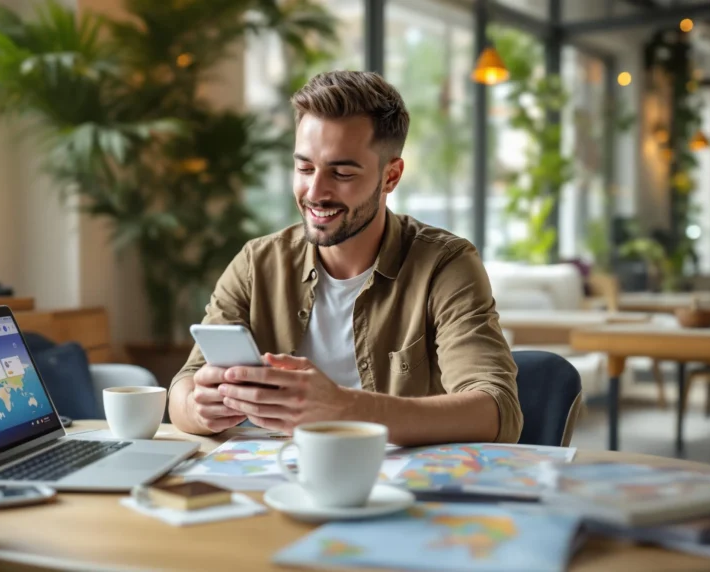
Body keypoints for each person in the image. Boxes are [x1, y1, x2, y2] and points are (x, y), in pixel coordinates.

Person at [167, 70, 522, 446]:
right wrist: (199, 408)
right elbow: (184, 385)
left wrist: (342, 408)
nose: (315, 192)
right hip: (276, 482)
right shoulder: (257, 263)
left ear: (391, 176)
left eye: (342, 172)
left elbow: (496, 411)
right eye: (304, 168)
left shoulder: (445, 264)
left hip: (401, 488)